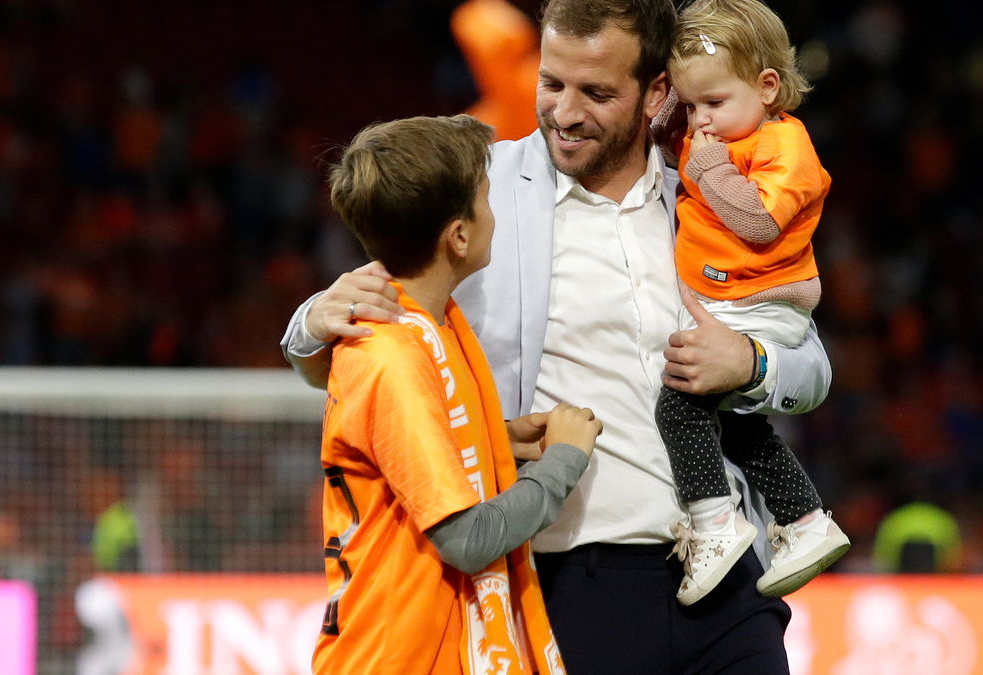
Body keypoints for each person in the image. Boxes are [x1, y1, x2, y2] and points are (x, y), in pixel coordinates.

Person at [283, 2, 833, 672]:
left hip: (725, 576)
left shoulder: (715, 194)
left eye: (596, 93)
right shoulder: (480, 188)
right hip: (566, 579)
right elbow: (355, 339)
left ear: (655, 91)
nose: (565, 113)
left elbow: (809, 367)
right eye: (552, 83)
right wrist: (314, 321)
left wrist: (751, 363)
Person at [313, 113, 604, 674]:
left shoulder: (432, 323)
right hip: (396, 658)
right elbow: (468, 540)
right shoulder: (392, 354)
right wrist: (564, 462)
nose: (496, 215)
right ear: (459, 236)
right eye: (486, 199)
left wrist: (500, 442)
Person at [652, 0, 849, 606]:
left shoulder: (785, 146)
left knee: (680, 406)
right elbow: (665, 142)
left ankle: (715, 525)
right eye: (690, 106)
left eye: (712, 102)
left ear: (766, 87)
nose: (700, 121)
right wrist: (673, 104)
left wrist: (709, 165)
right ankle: (806, 522)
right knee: (737, 425)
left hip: (759, 302)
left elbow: (759, 222)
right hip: (731, 295)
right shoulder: (725, 131)